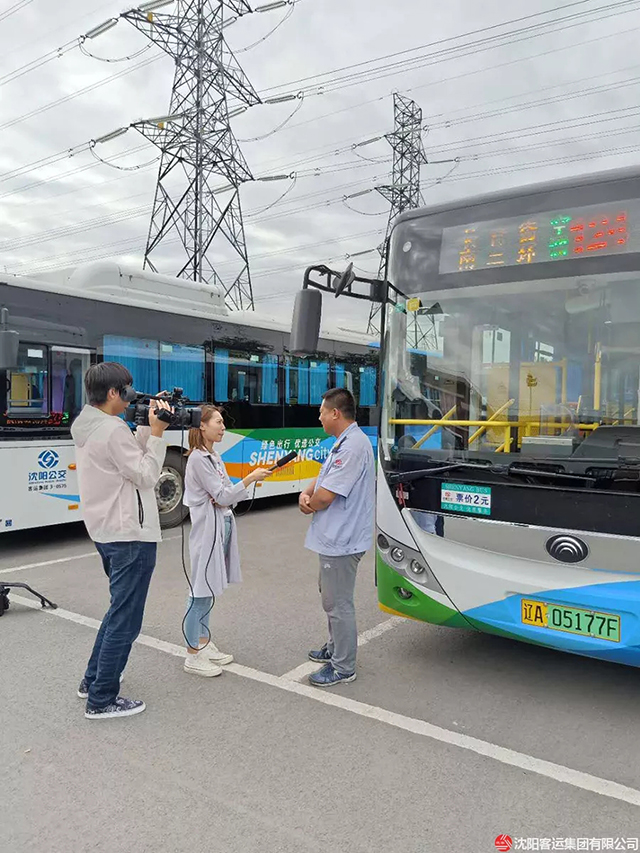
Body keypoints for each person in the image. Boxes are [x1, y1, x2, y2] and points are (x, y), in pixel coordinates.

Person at [71, 362, 171, 720]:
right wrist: (157, 434)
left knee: (117, 610)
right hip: (130, 535)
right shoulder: (112, 430)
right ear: (113, 392)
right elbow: (146, 474)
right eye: (127, 390)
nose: (131, 396)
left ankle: (93, 680)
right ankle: (102, 699)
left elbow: (129, 461)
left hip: (107, 530)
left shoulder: (89, 424)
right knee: (126, 620)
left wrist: (145, 424)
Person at [182, 405, 270, 676]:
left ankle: (203, 642)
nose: (223, 427)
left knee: (208, 589)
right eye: (218, 422)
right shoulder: (198, 458)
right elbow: (223, 496)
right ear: (202, 425)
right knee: (200, 591)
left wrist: (226, 495)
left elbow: (226, 495)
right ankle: (192, 654)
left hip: (222, 525)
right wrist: (249, 479)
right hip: (208, 531)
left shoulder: (214, 456)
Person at [299, 387, 375, 687]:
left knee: (338, 603)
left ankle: (343, 667)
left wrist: (309, 503)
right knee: (331, 596)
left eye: (321, 412)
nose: (319, 418)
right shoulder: (344, 442)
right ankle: (334, 647)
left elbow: (326, 495)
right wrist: (306, 491)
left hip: (343, 540)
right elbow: (323, 477)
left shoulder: (352, 446)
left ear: (335, 413)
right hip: (335, 537)